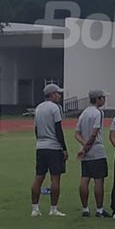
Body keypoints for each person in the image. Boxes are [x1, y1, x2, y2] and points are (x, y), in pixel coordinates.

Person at [31, 83, 68, 217]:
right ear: (52, 94)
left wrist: (40, 141)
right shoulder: (55, 108)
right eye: (58, 93)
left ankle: (35, 209)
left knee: (38, 177)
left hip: (41, 147)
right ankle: (53, 209)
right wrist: (64, 148)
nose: (59, 96)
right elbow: (58, 130)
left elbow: (36, 129)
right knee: (55, 178)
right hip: (53, 147)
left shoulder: (38, 108)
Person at [75, 89, 110, 217]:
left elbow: (77, 133)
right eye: (103, 98)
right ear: (98, 99)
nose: (104, 100)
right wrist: (87, 147)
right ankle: (99, 210)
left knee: (85, 178)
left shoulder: (84, 113)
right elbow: (94, 133)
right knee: (98, 180)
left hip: (86, 151)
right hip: (96, 150)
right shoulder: (98, 112)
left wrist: (83, 146)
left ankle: (85, 209)